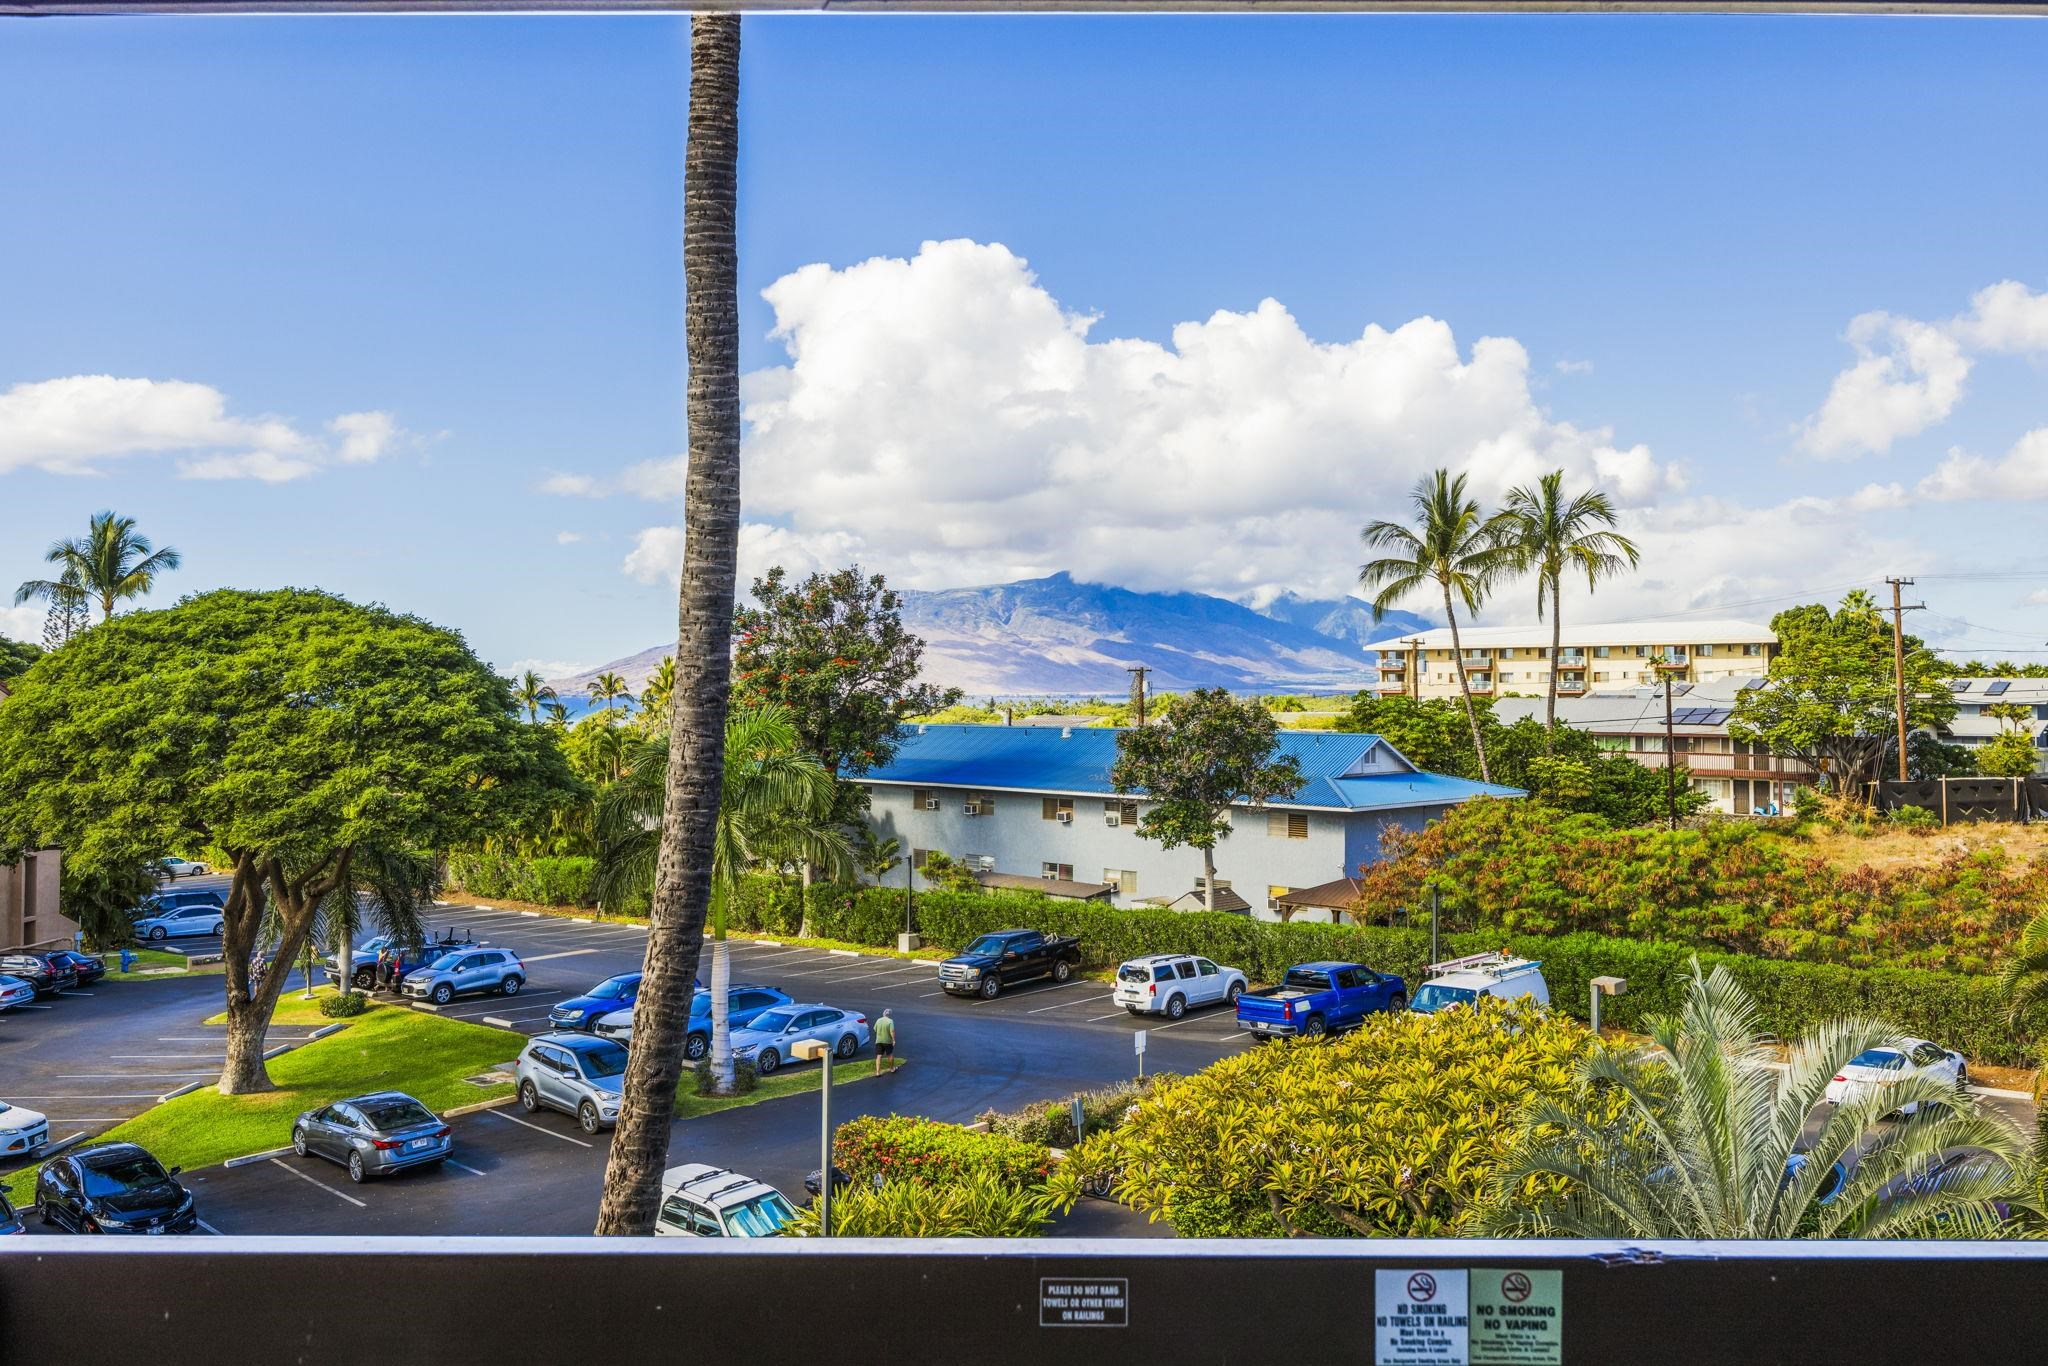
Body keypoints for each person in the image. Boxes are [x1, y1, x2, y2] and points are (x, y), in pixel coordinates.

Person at [873, 1009, 897, 1075]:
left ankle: (878, 1072)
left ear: (883, 1014)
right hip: (887, 1041)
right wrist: (894, 1040)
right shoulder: (890, 1021)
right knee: (890, 1055)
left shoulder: (878, 1020)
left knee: (879, 1056)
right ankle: (892, 1069)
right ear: (889, 1015)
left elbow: (875, 1029)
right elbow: (892, 1031)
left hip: (879, 1041)